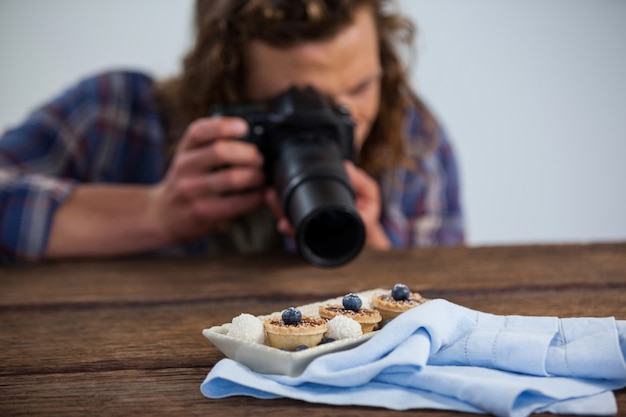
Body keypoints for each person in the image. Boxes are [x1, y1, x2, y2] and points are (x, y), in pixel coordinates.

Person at [0, 0, 464, 265]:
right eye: (293, 106)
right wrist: (155, 213)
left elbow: (453, 323)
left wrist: (371, 252)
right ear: (223, 86)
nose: (344, 118)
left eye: (361, 86)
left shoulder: (414, 141)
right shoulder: (113, 113)